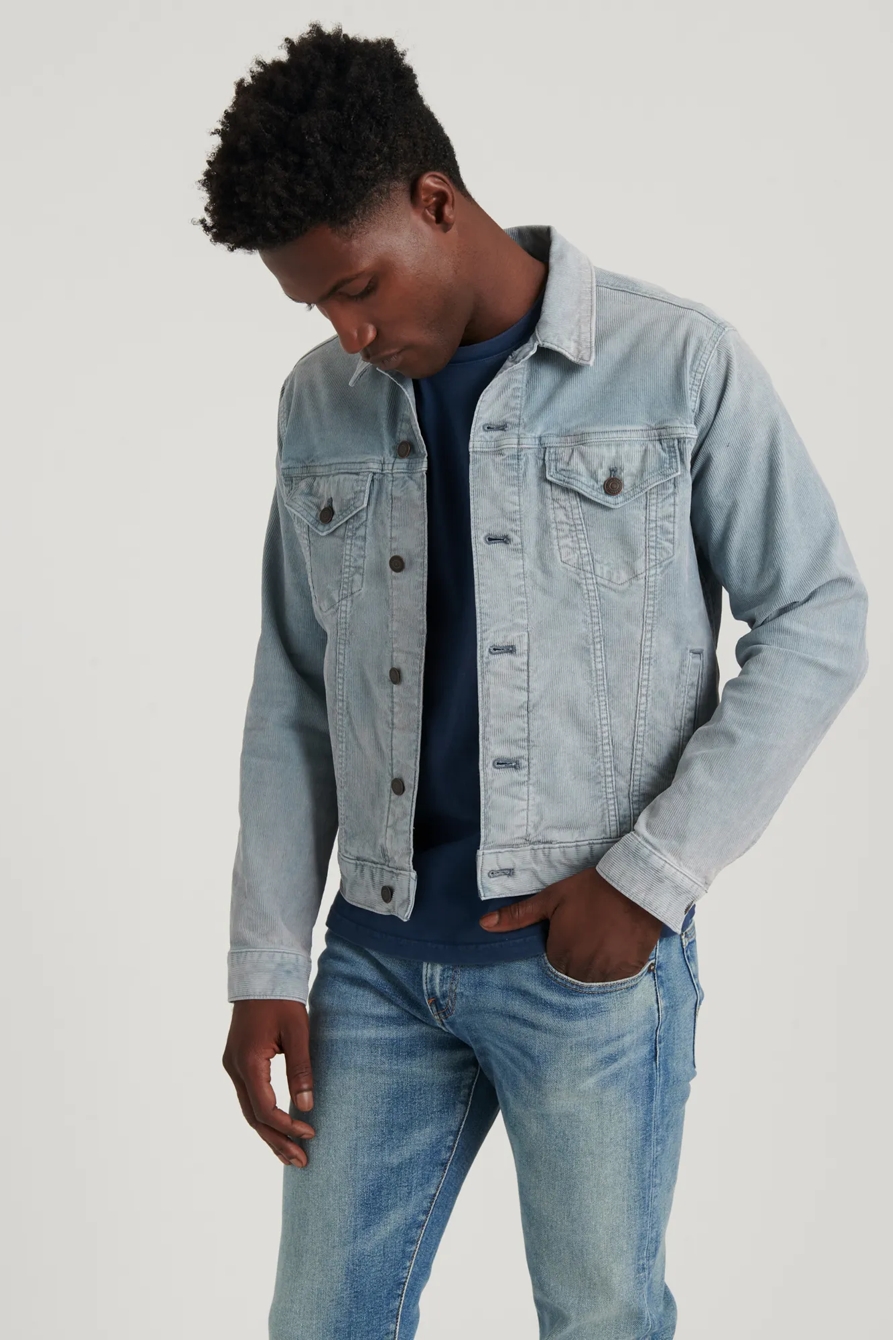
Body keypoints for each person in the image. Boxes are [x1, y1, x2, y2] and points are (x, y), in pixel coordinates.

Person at [195, 22, 869, 1340]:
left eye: (359, 286)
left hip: (583, 971)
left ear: (436, 202)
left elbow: (817, 617)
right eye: (317, 307)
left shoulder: (675, 364)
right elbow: (293, 685)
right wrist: (266, 956)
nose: (349, 331)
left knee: (599, 1321)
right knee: (318, 1323)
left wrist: (651, 877)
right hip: (374, 963)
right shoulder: (318, 403)